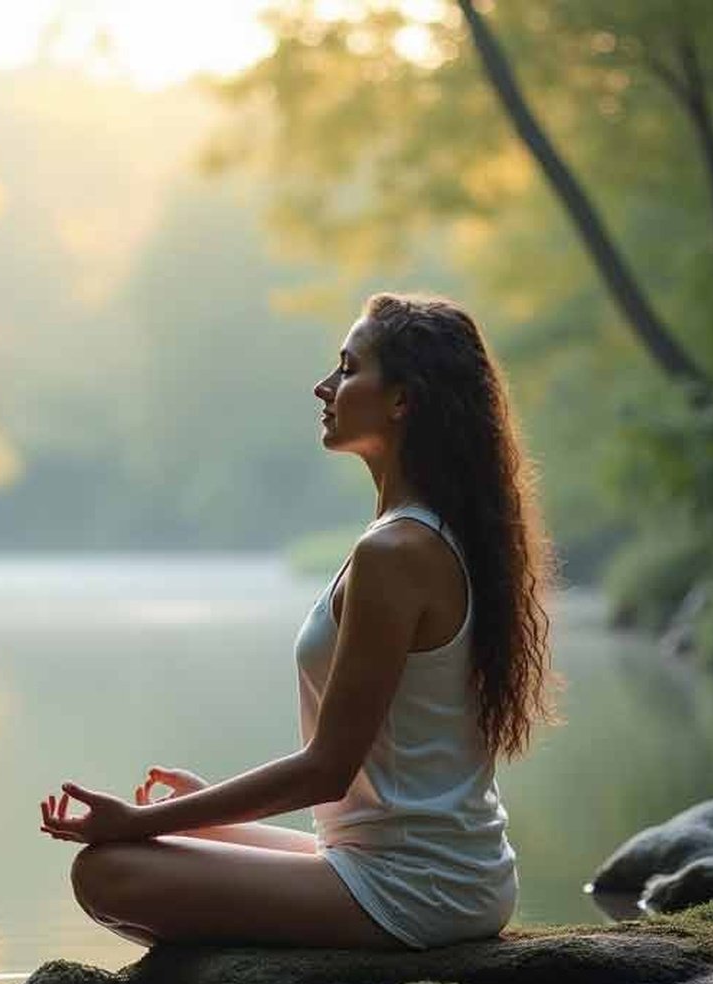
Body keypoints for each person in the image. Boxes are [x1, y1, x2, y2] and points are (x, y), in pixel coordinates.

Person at [38, 292, 556, 950]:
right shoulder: (418, 537)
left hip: (417, 889)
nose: (324, 385)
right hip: (410, 870)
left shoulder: (396, 553)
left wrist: (139, 821)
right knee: (175, 834)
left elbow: (325, 769)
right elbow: (348, 780)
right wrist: (190, 812)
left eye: (346, 368)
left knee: (109, 871)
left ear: (401, 399)